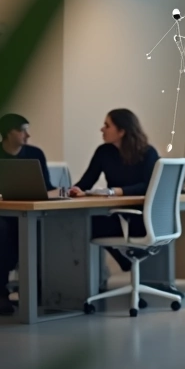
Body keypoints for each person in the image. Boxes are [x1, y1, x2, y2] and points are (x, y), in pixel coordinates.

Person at [0, 114, 55, 314]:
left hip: (24, 214)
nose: (28, 135)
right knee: (0, 229)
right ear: (8, 133)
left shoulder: (35, 154)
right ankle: (0, 292)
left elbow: (47, 187)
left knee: (42, 226)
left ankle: (38, 289)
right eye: (22, 130)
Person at [69, 109, 161, 273]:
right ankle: (123, 260)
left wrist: (115, 191)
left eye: (107, 125)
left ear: (122, 131)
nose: (101, 129)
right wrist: (74, 190)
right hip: (118, 216)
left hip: (142, 219)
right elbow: (87, 181)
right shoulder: (104, 152)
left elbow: (149, 185)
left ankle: (123, 259)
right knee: (81, 220)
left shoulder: (148, 153)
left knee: (88, 223)